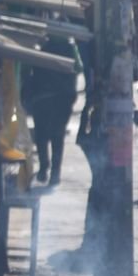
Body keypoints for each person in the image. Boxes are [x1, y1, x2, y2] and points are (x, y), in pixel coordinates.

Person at [26, 36, 80, 187]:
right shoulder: (70, 49)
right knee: (58, 136)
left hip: (43, 98)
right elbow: (78, 69)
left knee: (42, 136)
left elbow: (32, 71)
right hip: (62, 99)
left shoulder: (43, 47)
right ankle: (55, 173)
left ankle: (44, 169)